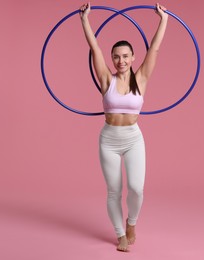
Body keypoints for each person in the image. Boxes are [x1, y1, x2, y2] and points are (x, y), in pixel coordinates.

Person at [79, 2, 168, 252]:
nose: (121, 61)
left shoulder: (141, 78)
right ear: (112, 59)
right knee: (114, 191)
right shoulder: (106, 78)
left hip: (132, 139)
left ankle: (132, 223)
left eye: (125, 56)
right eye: (116, 56)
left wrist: (164, 20)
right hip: (108, 139)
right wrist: (85, 19)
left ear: (133, 58)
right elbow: (93, 47)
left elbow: (156, 49)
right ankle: (120, 234)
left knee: (136, 189)